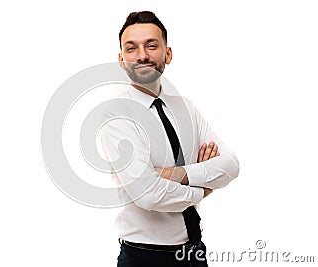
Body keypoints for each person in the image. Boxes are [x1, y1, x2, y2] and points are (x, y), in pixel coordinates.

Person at [100, 11, 240, 267]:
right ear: (122, 60)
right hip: (144, 259)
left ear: (168, 54)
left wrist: (175, 175)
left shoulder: (185, 108)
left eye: (151, 45)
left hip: (195, 254)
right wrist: (204, 186)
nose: (142, 55)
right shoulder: (116, 116)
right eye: (131, 49)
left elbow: (231, 164)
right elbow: (149, 195)